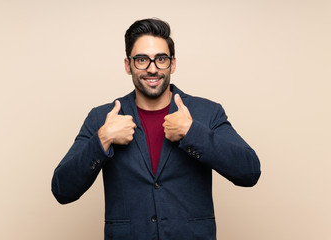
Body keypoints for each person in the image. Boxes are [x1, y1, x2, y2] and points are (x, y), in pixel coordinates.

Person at [51, 18, 261, 240]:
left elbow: (249, 171)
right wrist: (102, 139)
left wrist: (193, 133)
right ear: (127, 64)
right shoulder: (102, 118)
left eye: (161, 59)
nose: (152, 69)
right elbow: (62, 190)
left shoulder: (207, 112)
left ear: (173, 63)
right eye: (142, 59)